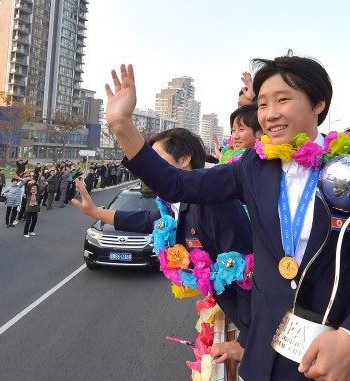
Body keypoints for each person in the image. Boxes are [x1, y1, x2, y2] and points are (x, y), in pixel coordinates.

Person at [104, 55, 350, 381]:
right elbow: (178, 182)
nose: (269, 114)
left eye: (282, 100)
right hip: (274, 380)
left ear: (319, 103)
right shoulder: (253, 167)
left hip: (347, 377)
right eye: (263, 104)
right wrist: (123, 128)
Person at [74, 128, 253, 346]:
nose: (150, 169)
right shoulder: (173, 203)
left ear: (184, 159)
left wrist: (247, 343)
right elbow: (147, 220)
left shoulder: (215, 203)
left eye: (156, 158)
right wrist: (95, 212)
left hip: (256, 324)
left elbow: (246, 274)